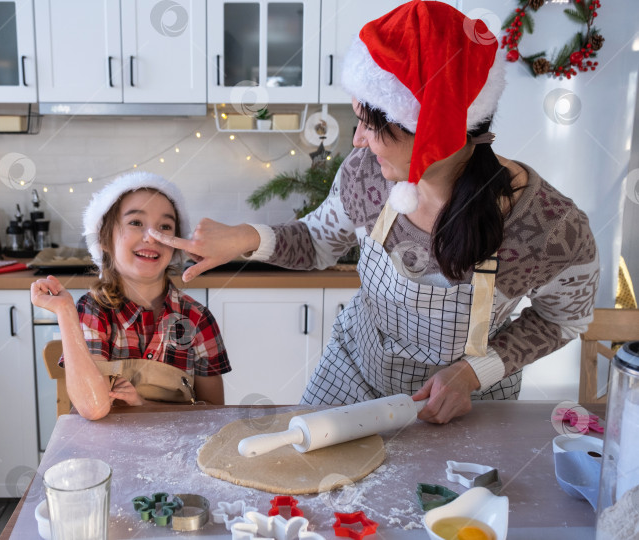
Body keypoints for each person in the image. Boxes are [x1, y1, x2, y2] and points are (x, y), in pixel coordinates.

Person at [149, 0, 599, 424]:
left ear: (432, 131)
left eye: (371, 124)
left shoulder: (550, 227)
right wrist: (245, 238)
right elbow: (316, 243)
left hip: (465, 397)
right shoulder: (367, 174)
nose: (358, 140)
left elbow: (562, 319)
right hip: (356, 370)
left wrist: (472, 372)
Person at [30, 171, 231, 420]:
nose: (152, 236)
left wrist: (143, 406)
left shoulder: (198, 319)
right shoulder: (93, 311)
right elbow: (94, 408)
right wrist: (65, 312)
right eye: (136, 223)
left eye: (165, 227)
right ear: (105, 238)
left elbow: (214, 413)